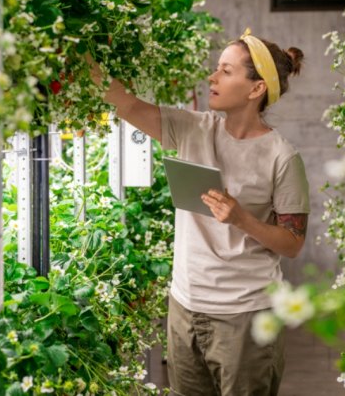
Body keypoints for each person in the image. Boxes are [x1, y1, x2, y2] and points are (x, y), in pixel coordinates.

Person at [90, 28, 310, 396]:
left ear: (256, 89)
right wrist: (78, 59)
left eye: (226, 70)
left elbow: (292, 244)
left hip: (245, 316)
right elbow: (125, 104)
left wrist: (242, 219)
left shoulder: (282, 157)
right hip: (185, 307)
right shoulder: (190, 129)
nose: (212, 76)